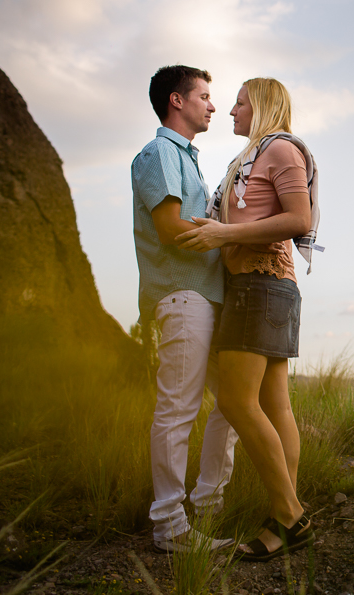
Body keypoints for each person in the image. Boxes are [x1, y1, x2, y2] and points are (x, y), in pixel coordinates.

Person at [176, 77, 319, 561]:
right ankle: (282, 522)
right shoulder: (255, 156)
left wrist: (222, 236)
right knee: (275, 405)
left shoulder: (279, 151)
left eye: (239, 102)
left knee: (237, 402)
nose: (231, 110)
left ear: (260, 106)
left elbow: (301, 219)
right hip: (265, 285)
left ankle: (291, 513)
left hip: (261, 284)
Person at [131, 65, 240, 554]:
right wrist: (226, 237)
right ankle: (169, 526)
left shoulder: (189, 160)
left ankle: (208, 504)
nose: (213, 105)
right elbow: (172, 229)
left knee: (236, 404)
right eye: (205, 96)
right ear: (177, 100)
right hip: (182, 297)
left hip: (210, 298)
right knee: (178, 410)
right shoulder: (158, 154)